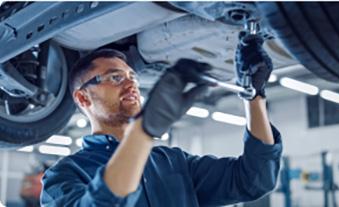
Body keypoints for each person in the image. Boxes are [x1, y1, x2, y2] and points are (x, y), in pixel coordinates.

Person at [40, 33, 282, 206]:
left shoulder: (174, 162)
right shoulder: (65, 174)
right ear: (83, 98)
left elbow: (254, 179)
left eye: (132, 78)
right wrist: (143, 131)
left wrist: (254, 95)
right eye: (115, 78)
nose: (131, 85)